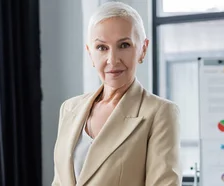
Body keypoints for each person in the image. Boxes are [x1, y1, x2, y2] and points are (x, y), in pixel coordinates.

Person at [51, 2, 181, 186]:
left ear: (143, 49)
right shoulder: (70, 109)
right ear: (90, 53)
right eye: (102, 48)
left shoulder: (160, 113)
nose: (112, 60)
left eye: (124, 45)